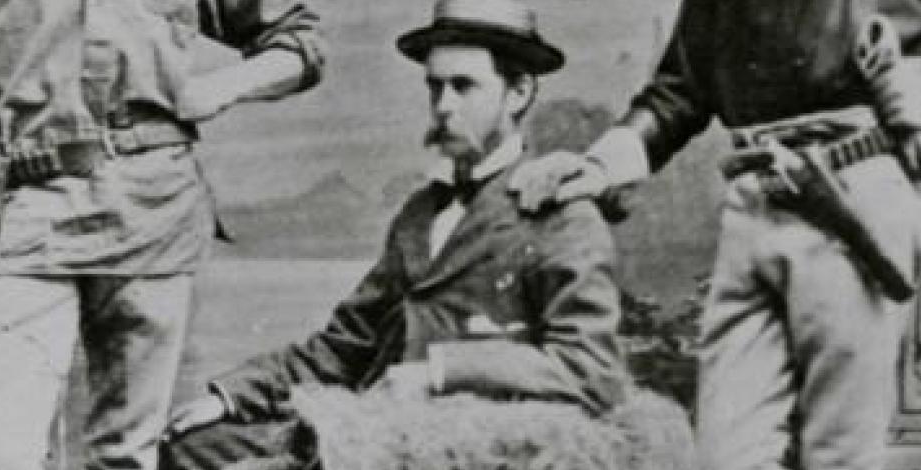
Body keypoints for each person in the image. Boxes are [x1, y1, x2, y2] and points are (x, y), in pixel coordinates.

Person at [504, 1, 921, 469]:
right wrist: (600, 167)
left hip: (849, 200)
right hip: (751, 206)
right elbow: (678, 93)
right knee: (726, 457)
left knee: (839, 454)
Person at [160, 0, 630, 467]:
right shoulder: (421, 215)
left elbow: (591, 372)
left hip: (472, 450)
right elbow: (344, 346)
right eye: (435, 87)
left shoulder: (560, 217)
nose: (444, 107)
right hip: (379, 434)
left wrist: (440, 371)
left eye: (464, 86)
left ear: (519, 92)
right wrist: (230, 396)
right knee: (189, 449)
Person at [0, 0, 324, 469]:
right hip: (32, 212)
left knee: (126, 454)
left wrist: (221, 88)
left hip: (152, 215)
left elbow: (301, 42)